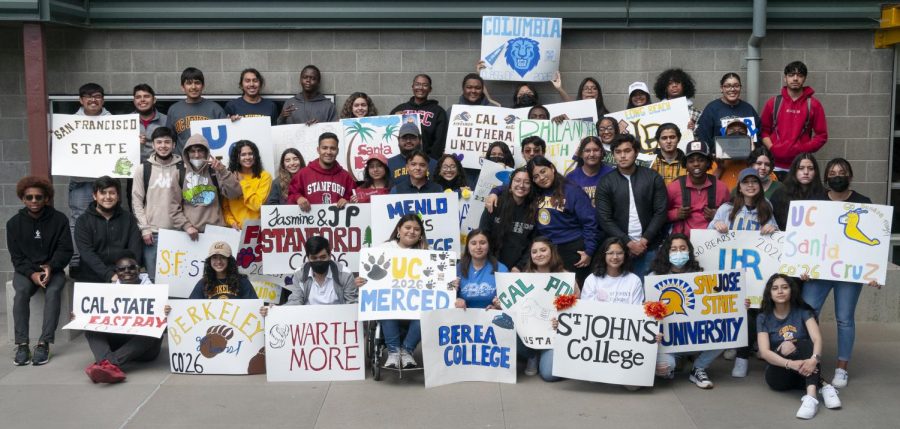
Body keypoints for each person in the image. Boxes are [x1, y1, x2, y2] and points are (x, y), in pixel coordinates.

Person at [801, 157, 880, 389]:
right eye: (833, 172)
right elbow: (807, 238)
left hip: (849, 273)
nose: (837, 176)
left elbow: (870, 244)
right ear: (826, 178)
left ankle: (841, 368)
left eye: (842, 172)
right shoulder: (816, 201)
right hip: (819, 271)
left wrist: (873, 272)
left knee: (845, 319)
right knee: (808, 313)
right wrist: (802, 267)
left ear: (850, 176)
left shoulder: (864, 203)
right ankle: (808, 358)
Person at [710, 168, 778, 378]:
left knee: (754, 311)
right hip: (732, 269)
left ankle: (744, 355)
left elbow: (775, 234)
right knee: (740, 310)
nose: (750, 185)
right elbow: (710, 234)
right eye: (745, 182)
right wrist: (717, 225)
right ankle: (740, 351)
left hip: (757, 272)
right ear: (738, 186)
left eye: (754, 182)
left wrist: (772, 229)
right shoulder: (726, 208)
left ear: (760, 185)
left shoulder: (766, 207)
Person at [8, 176, 73, 366]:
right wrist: (32, 274)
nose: (34, 201)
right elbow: (16, 257)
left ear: (46, 198)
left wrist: (51, 267)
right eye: (29, 197)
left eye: (39, 197)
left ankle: (44, 343)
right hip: (26, 272)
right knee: (20, 294)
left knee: (53, 292)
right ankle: (22, 344)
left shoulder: (59, 219)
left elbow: (66, 250)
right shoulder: (13, 224)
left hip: (54, 269)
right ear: (23, 199)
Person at [757, 274, 842, 419]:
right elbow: (764, 352)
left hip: (805, 365)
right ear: (769, 293)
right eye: (775, 288)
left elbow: (817, 339)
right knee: (786, 347)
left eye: (785, 287)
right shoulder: (763, 317)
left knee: (804, 343)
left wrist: (814, 359)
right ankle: (824, 384)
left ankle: (811, 397)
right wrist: (790, 363)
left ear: (792, 290)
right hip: (779, 374)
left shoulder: (803, 311)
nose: (780, 291)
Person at [649, 233, 722, 389]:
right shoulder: (654, 277)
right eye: (674, 249)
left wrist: (738, 305)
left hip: (694, 337)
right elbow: (647, 313)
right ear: (666, 252)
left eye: (683, 248)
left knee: (727, 332)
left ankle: (698, 368)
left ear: (689, 251)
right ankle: (674, 362)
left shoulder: (700, 277)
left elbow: (719, 305)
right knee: (664, 370)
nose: (679, 252)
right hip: (667, 341)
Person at [83, 251, 162, 384]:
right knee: (88, 326)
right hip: (119, 344)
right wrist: (80, 316)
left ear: (139, 269)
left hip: (145, 349)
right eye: (122, 269)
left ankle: (106, 364)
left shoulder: (155, 291)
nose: (127, 271)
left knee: (152, 332)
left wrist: (165, 311)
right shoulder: (106, 293)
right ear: (117, 273)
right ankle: (109, 366)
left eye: (131, 267)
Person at [595, 134, 668, 278]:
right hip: (618, 249)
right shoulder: (606, 182)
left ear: (636, 152)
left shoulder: (653, 177)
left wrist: (644, 240)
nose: (622, 156)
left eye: (627, 151)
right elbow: (604, 218)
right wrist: (628, 243)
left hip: (650, 246)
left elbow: (661, 212)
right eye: (618, 152)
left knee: (649, 295)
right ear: (613, 154)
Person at [528, 156, 597, 283]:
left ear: (552, 168)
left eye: (543, 171)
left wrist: (589, 251)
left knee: (572, 294)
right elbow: (513, 186)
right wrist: (495, 191)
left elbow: (590, 222)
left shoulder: (572, 190)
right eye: (536, 176)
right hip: (547, 251)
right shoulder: (535, 193)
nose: (541, 178)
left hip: (573, 249)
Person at [69, 83, 111, 277]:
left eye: (97, 96)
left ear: (102, 99)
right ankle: (76, 259)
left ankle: (103, 259)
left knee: (106, 218)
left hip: (105, 180)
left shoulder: (114, 122)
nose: (93, 99)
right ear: (81, 100)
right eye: (88, 96)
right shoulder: (69, 123)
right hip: (80, 181)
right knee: (78, 218)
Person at [132, 126, 186, 279]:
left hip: (178, 232)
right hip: (152, 234)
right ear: (153, 145)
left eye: (167, 142)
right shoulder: (143, 169)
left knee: (177, 278)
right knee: (153, 278)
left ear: (174, 145)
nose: (163, 146)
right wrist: (144, 228)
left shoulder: (182, 168)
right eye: (159, 142)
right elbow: (136, 201)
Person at [760, 61, 828, 176]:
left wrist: (802, 149)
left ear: (804, 78)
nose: (795, 79)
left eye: (800, 75)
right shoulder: (773, 102)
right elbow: (763, 130)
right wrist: (772, 148)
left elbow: (821, 136)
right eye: (791, 75)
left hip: (800, 167)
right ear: (785, 78)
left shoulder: (814, 104)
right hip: (774, 166)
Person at [379, 214, 429, 368]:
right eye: (408, 227)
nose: (412, 231)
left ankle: (407, 351)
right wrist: (362, 281)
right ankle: (394, 352)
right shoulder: (383, 249)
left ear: (421, 234)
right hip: (391, 300)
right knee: (384, 304)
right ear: (399, 230)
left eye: (417, 229)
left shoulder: (427, 253)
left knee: (428, 311)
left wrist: (449, 283)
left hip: (416, 302)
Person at [74, 176, 143, 283]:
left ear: (118, 196)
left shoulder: (128, 218)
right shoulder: (83, 221)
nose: (108, 197)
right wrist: (109, 275)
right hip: (91, 278)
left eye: (112, 193)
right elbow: (87, 253)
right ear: (94, 196)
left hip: (124, 276)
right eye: (103, 193)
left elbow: (135, 250)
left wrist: (126, 273)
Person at [519, 237, 568, 380]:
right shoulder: (525, 276)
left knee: (549, 375)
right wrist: (500, 302)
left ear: (552, 252)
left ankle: (550, 357)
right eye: (534, 252)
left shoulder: (565, 276)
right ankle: (532, 354)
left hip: (553, 334)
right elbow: (515, 306)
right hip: (529, 333)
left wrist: (563, 321)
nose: (538, 254)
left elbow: (576, 306)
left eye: (543, 250)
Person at [177, 134, 243, 237]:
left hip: (216, 231)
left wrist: (223, 171)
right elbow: (173, 206)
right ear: (187, 153)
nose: (197, 155)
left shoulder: (215, 172)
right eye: (193, 151)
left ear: (206, 153)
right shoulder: (179, 174)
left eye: (200, 151)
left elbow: (235, 193)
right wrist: (186, 226)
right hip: (189, 234)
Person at [665, 140, 730, 238]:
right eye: (691, 161)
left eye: (701, 160)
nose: (696, 164)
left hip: (712, 243)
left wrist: (718, 216)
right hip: (682, 244)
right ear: (685, 164)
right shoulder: (674, 187)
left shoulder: (721, 188)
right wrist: (676, 214)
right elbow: (659, 215)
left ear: (708, 162)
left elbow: (732, 217)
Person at [275, 237, 360, 307]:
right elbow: (296, 301)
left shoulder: (345, 274)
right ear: (308, 258)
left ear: (330, 256)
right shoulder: (300, 274)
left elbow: (352, 304)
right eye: (314, 258)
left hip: (338, 323)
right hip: (310, 323)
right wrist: (275, 311)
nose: (319, 261)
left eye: (323, 257)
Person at [479, 168, 536, 271]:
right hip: (491, 265)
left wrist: (519, 266)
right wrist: (489, 262)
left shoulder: (535, 210)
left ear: (531, 186)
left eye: (527, 182)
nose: (521, 185)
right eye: (517, 180)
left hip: (520, 269)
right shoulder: (495, 204)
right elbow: (483, 234)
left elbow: (534, 242)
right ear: (510, 184)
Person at [165, 67, 227, 154]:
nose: (193, 87)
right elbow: (169, 139)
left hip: (208, 163)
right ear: (183, 87)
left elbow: (226, 138)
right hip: (182, 163)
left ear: (203, 86)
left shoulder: (215, 109)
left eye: (197, 83)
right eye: (189, 83)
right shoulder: (174, 109)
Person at [694, 73, 761, 152]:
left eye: (736, 85)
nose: (732, 89)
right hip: (719, 159)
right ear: (721, 88)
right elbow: (703, 137)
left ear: (740, 88)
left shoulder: (748, 108)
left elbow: (759, 135)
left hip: (747, 159)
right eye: (728, 86)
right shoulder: (712, 109)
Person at [288, 132, 355, 210]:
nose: (329, 152)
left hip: (338, 221)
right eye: (324, 148)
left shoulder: (346, 176)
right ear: (318, 150)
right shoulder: (303, 174)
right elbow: (291, 195)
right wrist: (298, 198)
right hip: (310, 220)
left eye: (333, 148)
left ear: (337, 150)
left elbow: (354, 199)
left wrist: (348, 201)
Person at [390, 74, 448, 161]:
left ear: (430, 89)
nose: (420, 87)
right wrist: (393, 119)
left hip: (426, 161)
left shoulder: (438, 111)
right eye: (417, 84)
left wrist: (431, 161)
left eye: (425, 85)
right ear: (412, 87)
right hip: (401, 160)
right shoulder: (400, 109)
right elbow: (390, 135)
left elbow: (440, 141)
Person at [222, 140, 272, 229]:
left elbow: (256, 205)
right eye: (243, 154)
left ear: (255, 156)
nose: (248, 157)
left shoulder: (265, 177)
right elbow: (225, 206)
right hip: (235, 230)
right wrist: (231, 222)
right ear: (237, 158)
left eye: (250, 154)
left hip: (256, 228)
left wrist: (243, 182)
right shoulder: (230, 177)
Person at [453, 229, 508, 309]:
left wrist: (497, 308)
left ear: (489, 245)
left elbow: (509, 303)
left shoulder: (502, 270)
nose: (478, 247)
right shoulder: (457, 269)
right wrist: (455, 299)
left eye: (482, 243)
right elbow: (445, 297)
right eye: (473, 243)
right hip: (462, 319)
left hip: (492, 319)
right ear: (467, 247)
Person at [581, 237, 643, 304]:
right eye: (610, 253)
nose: (615, 257)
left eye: (619, 253)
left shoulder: (634, 280)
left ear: (625, 255)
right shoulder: (592, 279)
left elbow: (636, 310)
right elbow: (587, 308)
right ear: (604, 255)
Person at [772, 152, 825, 230]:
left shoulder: (824, 195)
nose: (806, 172)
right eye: (801, 168)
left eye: (810, 168)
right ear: (794, 171)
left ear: (815, 172)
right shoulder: (779, 194)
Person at [188, 241, 258, 299]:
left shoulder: (242, 282)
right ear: (209, 261)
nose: (218, 261)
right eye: (214, 257)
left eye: (223, 257)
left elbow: (254, 308)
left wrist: (262, 311)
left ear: (229, 260)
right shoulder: (203, 284)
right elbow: (190, 308)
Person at [567, 136, 614, 203]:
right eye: (587, 151)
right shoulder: (571, 177)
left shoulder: (612, 175)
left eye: (595, 150)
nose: (592, 154)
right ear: (581, 154)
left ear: (601, 152)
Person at [133, 83, 167, 164]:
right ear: (134, 101)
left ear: (154, 100)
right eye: (138, 97)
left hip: (159, 168)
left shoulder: (166, 120)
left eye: (146, 96)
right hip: (132, 170)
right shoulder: (126, 122)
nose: (142, 100)